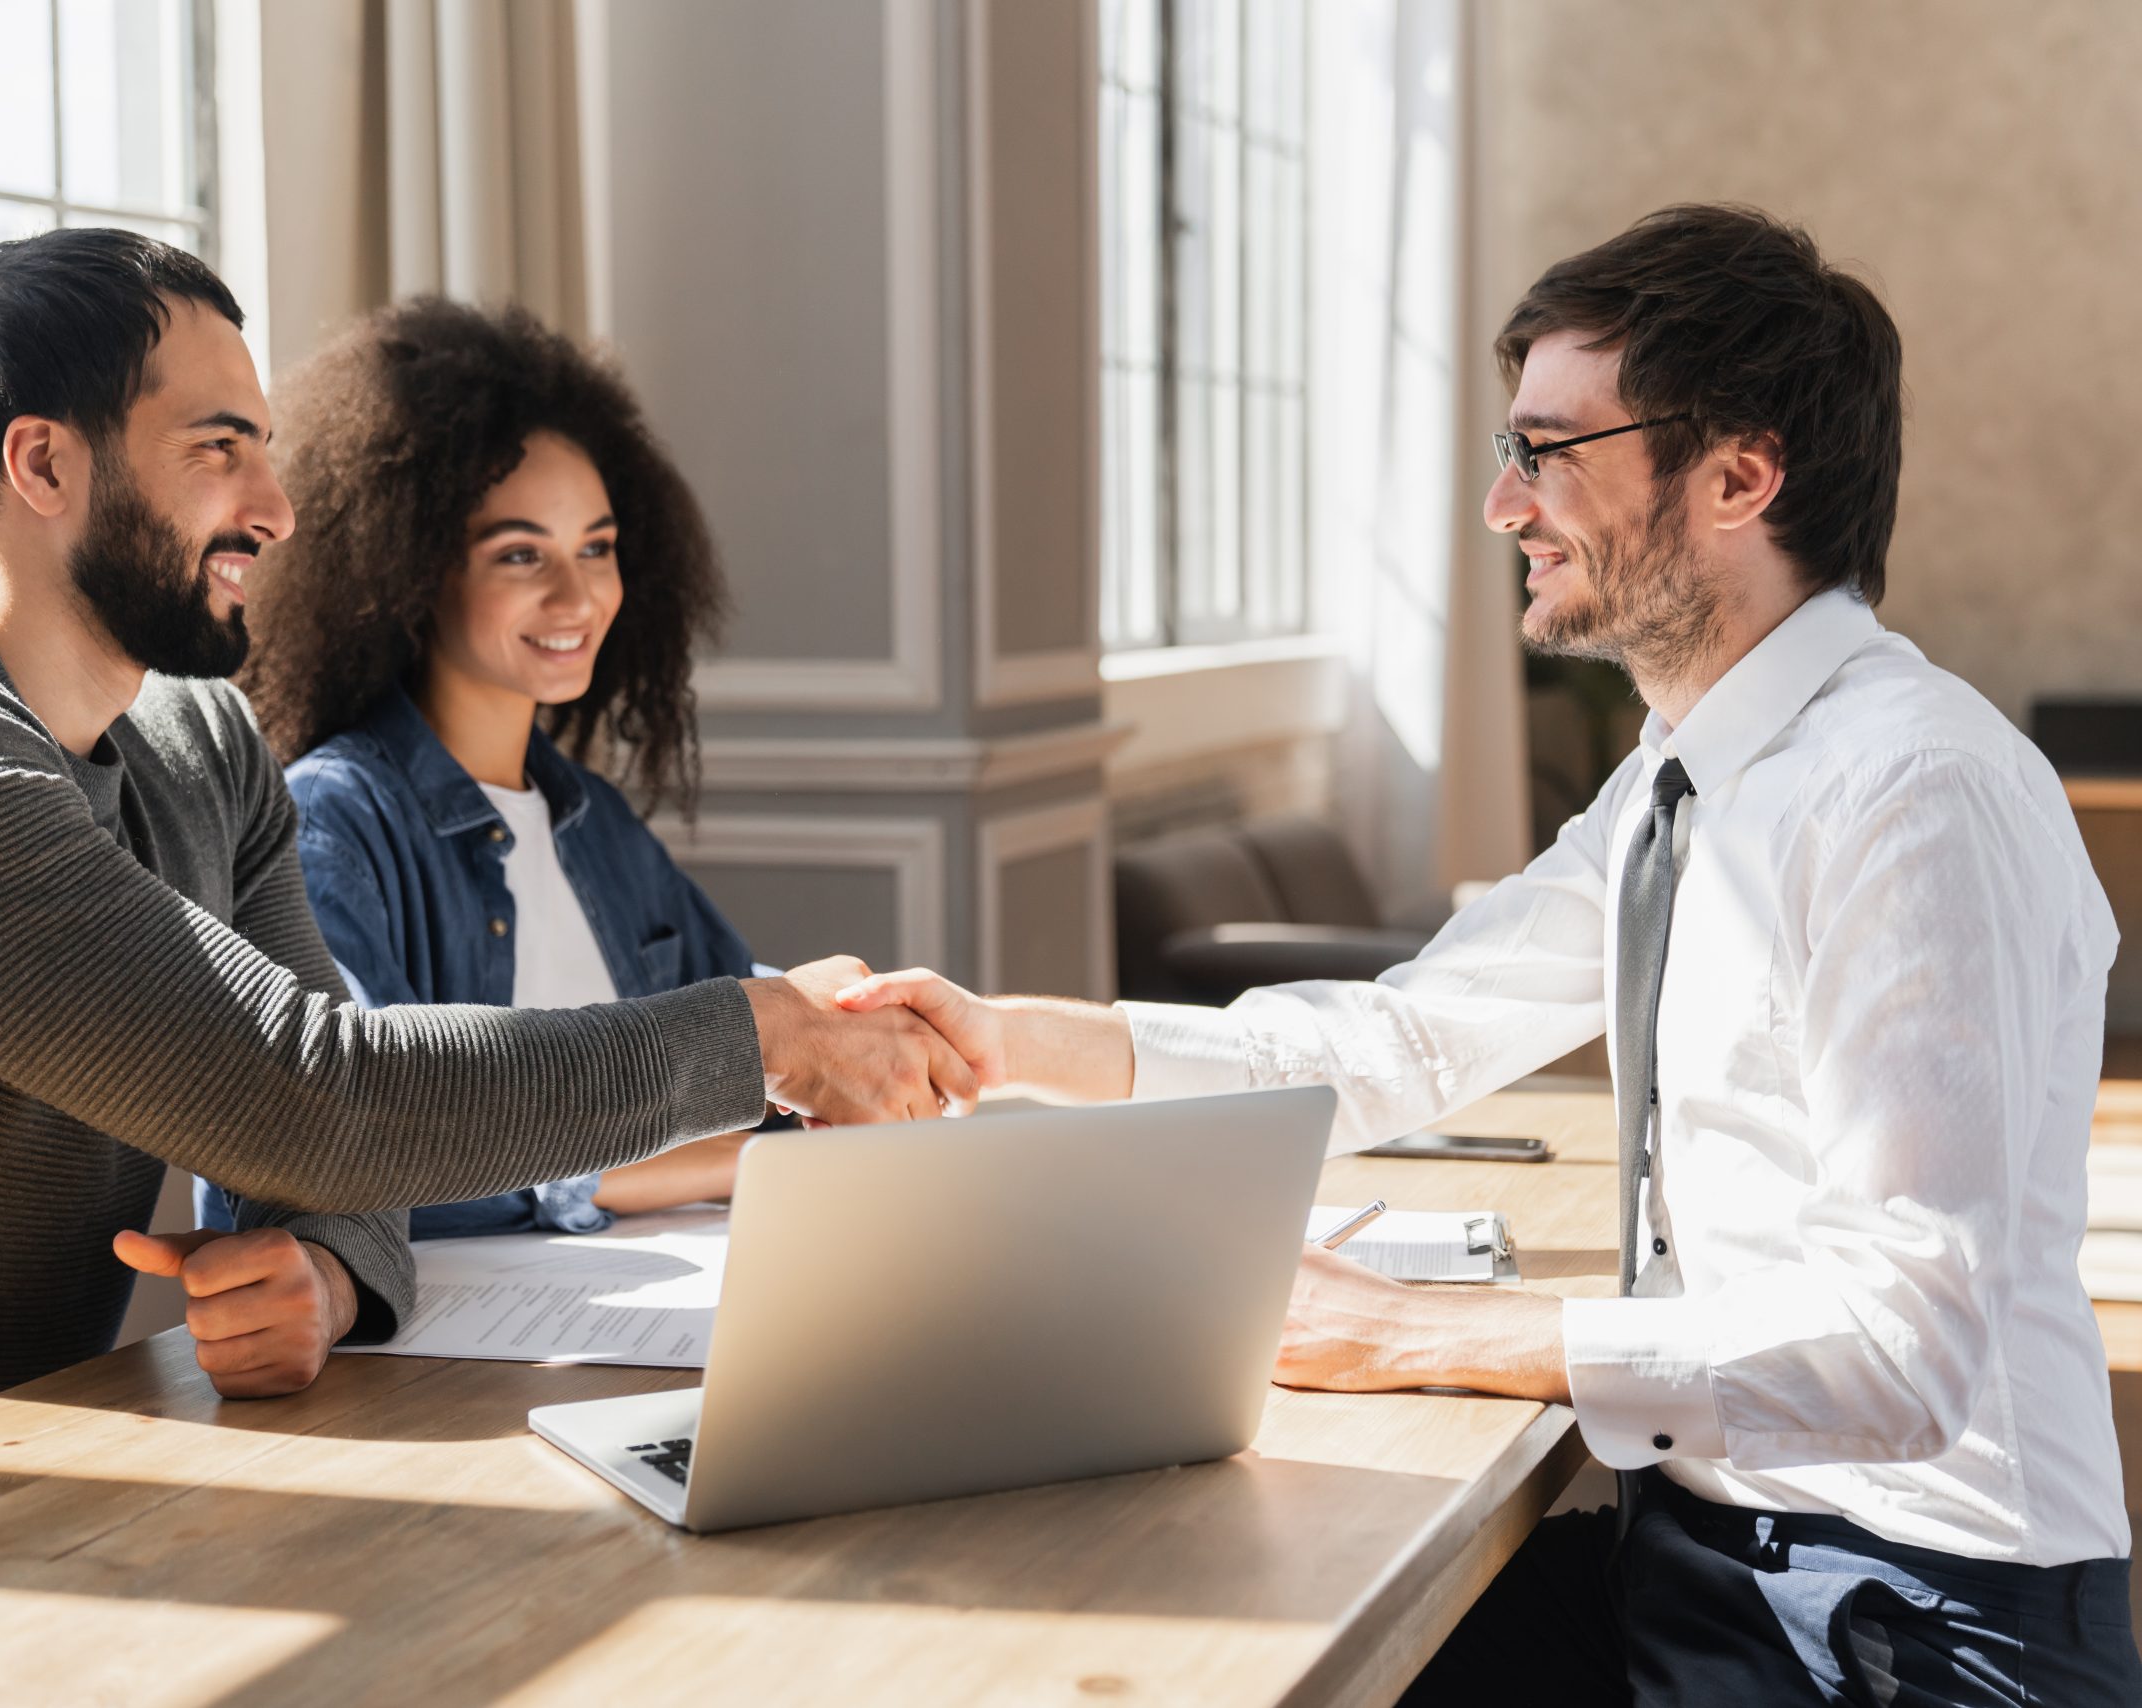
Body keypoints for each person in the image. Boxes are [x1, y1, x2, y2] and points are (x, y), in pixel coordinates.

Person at [837, 205, 2142, 1701]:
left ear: (1738, 477)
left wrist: (1403, 1333)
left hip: (1908, 1619)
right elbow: (1406, 1037)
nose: (1500, 504)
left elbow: (1901, 1348)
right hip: (1717, 1554)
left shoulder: (1914, 794)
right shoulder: (1679, 774)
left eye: (1546, 451)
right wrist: (1010, 1040)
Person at [0, 229, 975, 1540]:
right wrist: (759, 1034)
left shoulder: (199, 745)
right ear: (43, 464)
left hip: (5, 1492)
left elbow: (312, 1152)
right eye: (218, 450)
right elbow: (313, 1093)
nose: (278, 508)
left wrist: (325, 1271)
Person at [198, 299, 764, 1243]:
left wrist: (856, 1020)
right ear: (414, 572)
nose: (576, 595)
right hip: (454, 1355)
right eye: (519, 554)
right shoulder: (331, 824)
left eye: (596, 548)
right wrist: (655, 1168)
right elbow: (351, 1144)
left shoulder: (594, 822)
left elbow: (752, 1021)